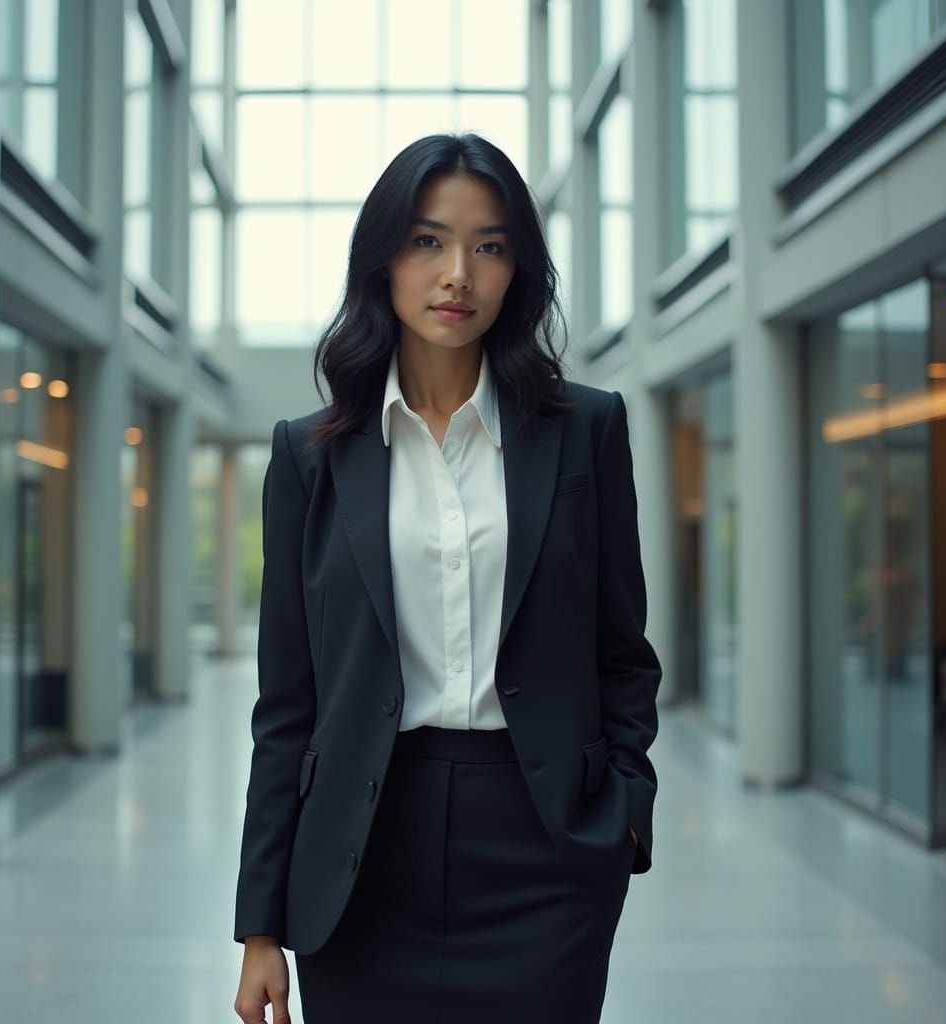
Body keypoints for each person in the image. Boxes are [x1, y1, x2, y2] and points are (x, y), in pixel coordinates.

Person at [232, 132, 662, 1024]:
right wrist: (260, 927)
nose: (457, 272)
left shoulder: (587, 432)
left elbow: (624, 651)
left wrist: (624, 812)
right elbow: (287, 706)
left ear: (518, 272)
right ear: (382, 260)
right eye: (428, 241)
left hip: (546, 846)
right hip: (360, 850)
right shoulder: (310, 458)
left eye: (489, 245)